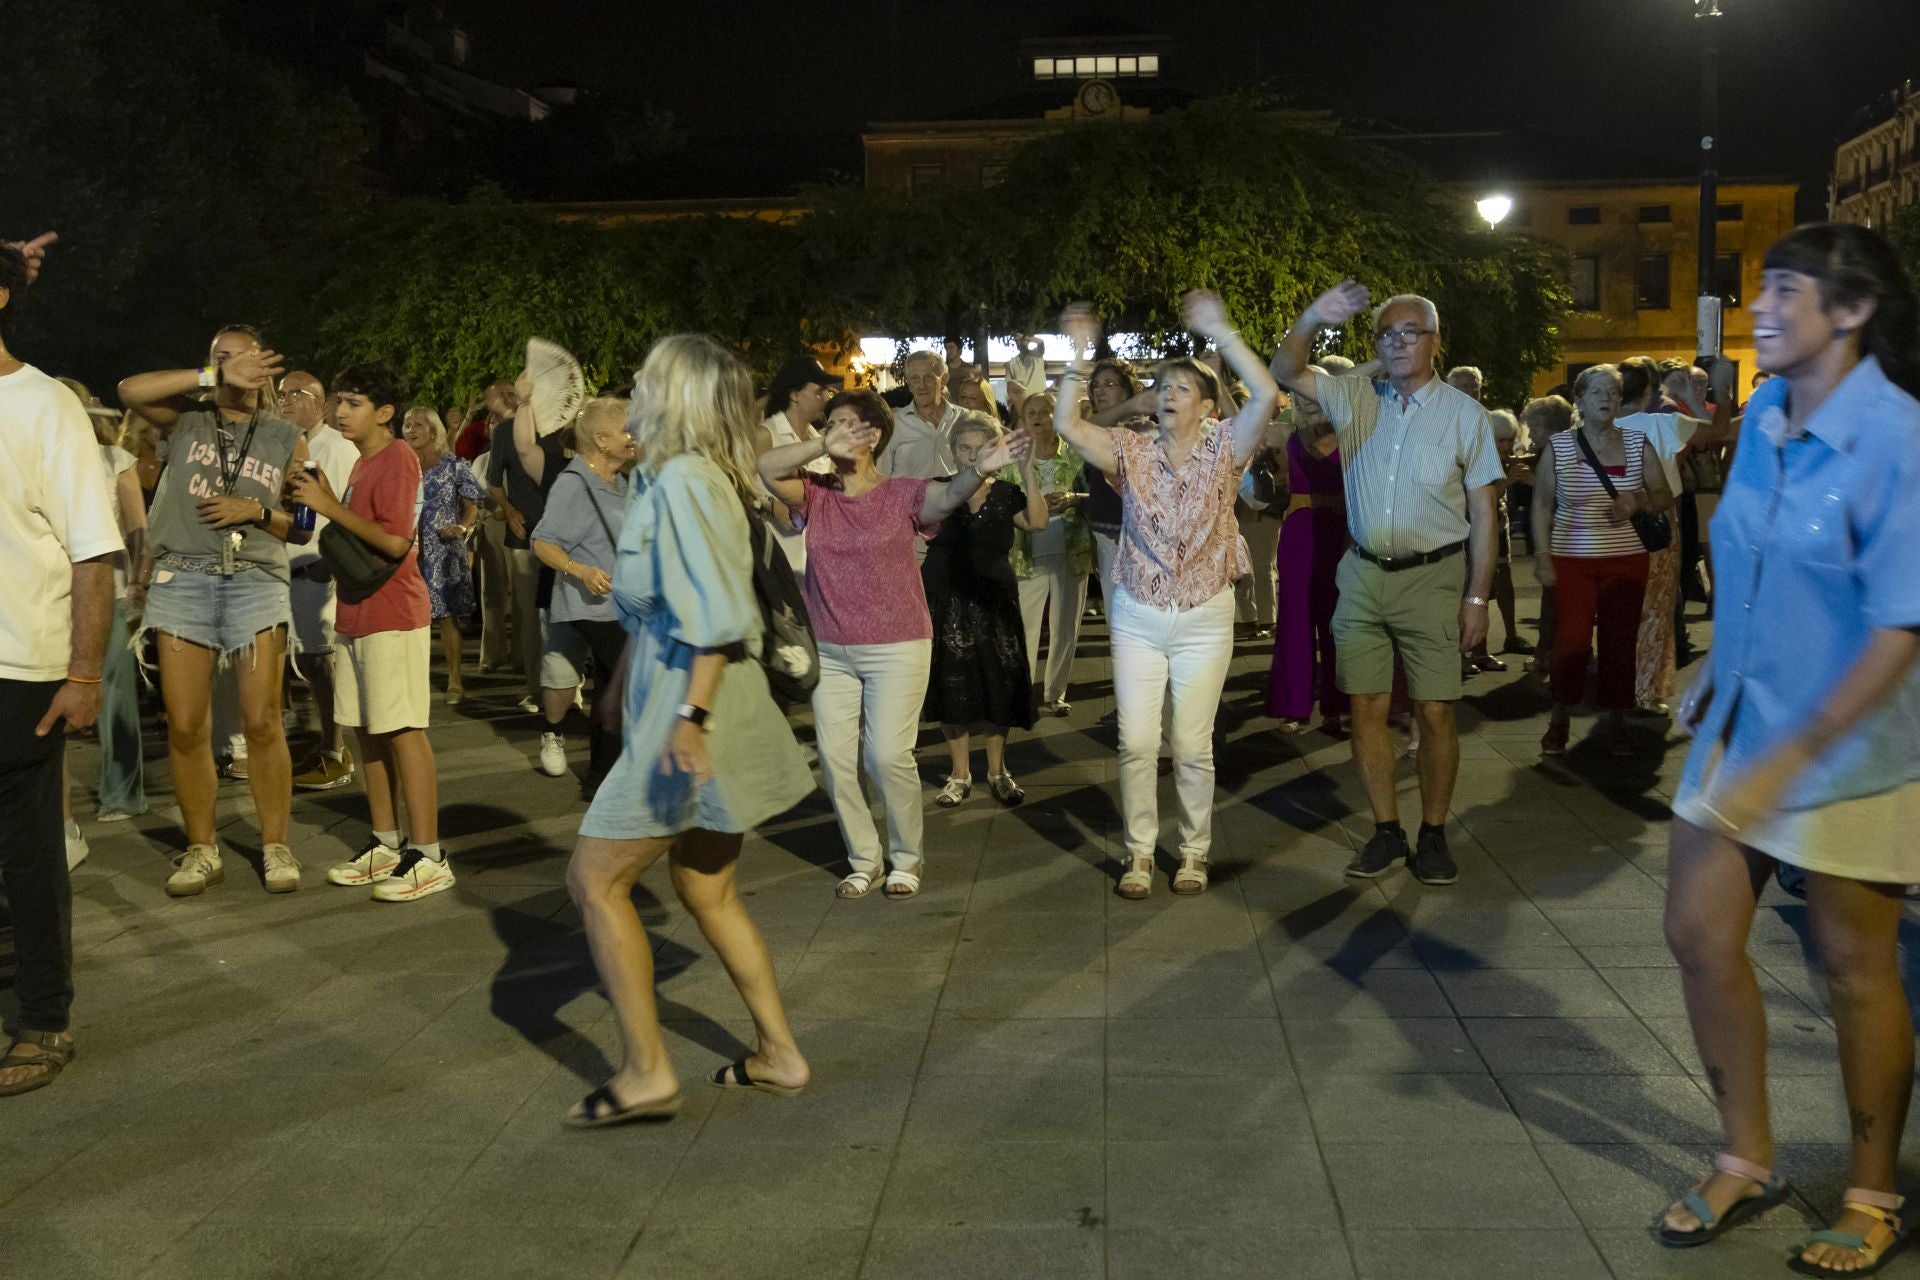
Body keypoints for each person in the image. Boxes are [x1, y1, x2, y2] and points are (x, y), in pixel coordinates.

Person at [1655, 223, 1920, 1279]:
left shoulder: (1898, 437)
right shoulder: (1765, 415)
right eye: (1763, 284)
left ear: (1851, 312)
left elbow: (1903, 625)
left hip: (1852, 740)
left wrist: (1799, 748)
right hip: (1743, 723)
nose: (1760, 304)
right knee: (1695, 931)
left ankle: (1870, 1192)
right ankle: (1745, 1156)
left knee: (1853, 965)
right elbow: (1752, 555)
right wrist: (1721, 654)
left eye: (1786, 290)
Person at [563, 335, 817, 1127]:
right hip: (689, 703)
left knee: (595, 881)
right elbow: (669, 602)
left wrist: (686, 724)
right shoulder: (681, 478)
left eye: (642, 382)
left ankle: (645, 1073)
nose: (630, 393)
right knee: (706, 887)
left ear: (671, 397)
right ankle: (779, 1055)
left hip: (694, 713)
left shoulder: (681, 482)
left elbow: (714, 616)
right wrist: (617, 684)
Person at [1271, 283, 1503, 887]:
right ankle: (1384, 830)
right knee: (1366, 706)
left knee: (1433, 712)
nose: (1398, 343)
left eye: (1411, 333)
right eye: (1387, 334)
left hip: (1434, 576)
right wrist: (1314, 316)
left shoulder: (1465, 416)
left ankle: (1431, 832)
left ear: (1436, 342)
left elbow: (1484, 517)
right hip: (1364, 572)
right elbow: (1285, 368)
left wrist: (1476, 597)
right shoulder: (1355, 399)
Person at [1055, 291, 1281, 898]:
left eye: (1182, 388)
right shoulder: (1130, 449)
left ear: (1207, 405)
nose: (1167, 394)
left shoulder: (1228, 447)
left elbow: (1267, 396)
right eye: (1163, 386)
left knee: (1190, 742)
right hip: (1136, 612)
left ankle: (1193, 852)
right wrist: (1077, 356)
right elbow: (1067, 424)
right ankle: (1137, 853)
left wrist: (1222, 332)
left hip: (1205, 613)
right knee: (1135, 740)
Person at [758, 389, 1019, 900]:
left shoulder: (902, 492)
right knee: (835, 760)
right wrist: (819, 447)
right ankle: (864, 859)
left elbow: (946, 497)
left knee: (884, 756)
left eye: (848, 424)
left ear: (873, 435)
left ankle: (906, 857)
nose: (835, 431)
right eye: (829, 423)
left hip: (898, 644)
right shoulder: (815, 491)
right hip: (831, 647)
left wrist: (981, 470)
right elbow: (766, 466)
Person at [119, 326, 310, 897]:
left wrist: (254, 509)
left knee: (261, 722)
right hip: (184, 581)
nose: (235, 368)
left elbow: (301, 527)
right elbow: (129, 390)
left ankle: (277, 845)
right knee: (185, 726)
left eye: (244, 359)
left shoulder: (285, 436)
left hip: (256, 579)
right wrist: (211, 376)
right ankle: (202, 848)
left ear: (267, 369)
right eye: (221, 360)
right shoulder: (184, 421)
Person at [0, 242, 120, 1095]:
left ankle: (43, 1017)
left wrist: (84, 675)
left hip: (20, 666)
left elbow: (93, 554)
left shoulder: (45, 407)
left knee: (27, 854)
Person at [290, 362, 450, 903]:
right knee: (367, 729)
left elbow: (397, 542)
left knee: (403, 729)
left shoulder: (398, 457)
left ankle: (428, 854)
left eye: (353, 403)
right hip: (357, 610)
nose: (340, 411)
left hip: (393, 614)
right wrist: (332, 498)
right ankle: (385, 841)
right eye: (339, 401)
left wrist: (330, 507)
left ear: (385, 412)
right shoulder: (362, 463)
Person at [1530, 365, 1673, 757]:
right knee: (1571, 641)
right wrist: (1543, 557)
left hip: (1626, 559)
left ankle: (1617, 721)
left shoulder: (1636, 442)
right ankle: (1559, 719)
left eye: (1612, 392)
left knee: (1619, 642)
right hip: (1571, 558)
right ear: (1579, 400)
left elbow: (1663, 494)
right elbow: (1541, 506)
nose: (1606, 399)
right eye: (1596, 392)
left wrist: (1638, 500)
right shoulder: (1559, 447)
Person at [922, 416, 1045, 806]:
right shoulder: (937, 489)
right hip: (946, 594)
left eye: (982, 449)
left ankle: (997, 770)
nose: (972, 456)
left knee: (999, 682)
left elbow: (1037, 522)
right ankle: (959, 773)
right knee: (951, 683)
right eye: (965, 448)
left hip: (993, 597)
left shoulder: (1006, 492)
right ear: (952, 450)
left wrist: (1028, 473)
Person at [1617, 356, 1735, 712]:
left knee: (1620, 604)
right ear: (1650, 389)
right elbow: (1718, 430)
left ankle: (1617, 682)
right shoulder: (1661, 425)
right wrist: (1721, 390)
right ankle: (1644, 689)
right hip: (1656, 516)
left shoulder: (1599, 422)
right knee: (1655, 604)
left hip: (1609, 517)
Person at [530, 397, 636, 797]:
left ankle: (603, 780)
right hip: (590, 607)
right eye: (627, 429)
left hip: (620, 606)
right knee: (630, 683)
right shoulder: (574, 483)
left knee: (613, 689)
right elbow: (542, 542)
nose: (634, 437)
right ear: (601, 439)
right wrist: (581, 571)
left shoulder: (620, 482)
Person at [283, 371, 363, 792]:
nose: (285, 401)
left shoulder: (333, 446)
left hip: (315, 566)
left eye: (295, 394)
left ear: (320, 401)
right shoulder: (296, 445)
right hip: (292, 565)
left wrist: (331, 563)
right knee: (308, 662)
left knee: (320, 661)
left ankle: (335, 750)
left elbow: (340, 509)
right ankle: (327, 744)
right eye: (281, 394)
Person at [1258, 372, 1348, 735]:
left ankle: (1335, 707)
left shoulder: (1353, 435)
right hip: (1298, 535)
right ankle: (1295, 707)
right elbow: (1243, 424)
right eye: (1301, 396)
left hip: (1343, 536)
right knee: (1296, 621)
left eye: (1315, 395)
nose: (1308, 403)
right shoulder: (1284, 435)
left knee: (1337, 623)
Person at [488, 376, 570, 712]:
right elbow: (494, 482)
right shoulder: (505, 433)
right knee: (532, 616)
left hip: (563, 536)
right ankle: (537, 688)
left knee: (563, 611)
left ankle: (568, 686)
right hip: (523, 537)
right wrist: (509, 510)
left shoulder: (563, 430)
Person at [1008, 391, 1092, 715]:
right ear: (1024, 420)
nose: (1039, 417)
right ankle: (1024, 694)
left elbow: (1096, 495)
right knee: (1024, 628)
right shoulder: (1013, 460)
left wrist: (1074, 497)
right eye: (1032, 412)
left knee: (1065, 627)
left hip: (1071, 552)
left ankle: (1055, 693)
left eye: (1046, 411)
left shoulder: (1075, 456)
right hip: (1025, 555)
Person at [86, 387, 148, 822]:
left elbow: (138, 529)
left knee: (115, 693)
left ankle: (122, 793)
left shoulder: (115, 461)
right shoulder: (40, 461)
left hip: (110, 587)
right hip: (51, 592)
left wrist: (139, 582)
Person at [401, 406, 484, 705]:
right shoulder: (401, 465)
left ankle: (455, 680)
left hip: (443, 550)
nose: (412, 430)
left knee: (447, 617)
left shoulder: (454, 465)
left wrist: (461, 527)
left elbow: (472, 506)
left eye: (419, 424)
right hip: (406, 550)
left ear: (434, 431)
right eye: (408, 424)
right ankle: (412, 679)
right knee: (410, 619)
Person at [754, 355, 840, 574]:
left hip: (814, 565)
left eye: (826, 392)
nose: (825, 398)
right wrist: (770, 504)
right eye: (819, 392)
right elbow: (738, 485)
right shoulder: (766, 434)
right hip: (773, 560)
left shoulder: (819, 441)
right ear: (794, 395)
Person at [1078, 358, 1154, 593]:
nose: (1100, 390)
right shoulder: (1095, 428)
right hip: (1105, 535)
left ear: (1127, 391)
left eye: (1109, 384)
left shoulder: (1143, 428)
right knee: (1116, 615)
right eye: (1096, 385)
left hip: (1141, 538)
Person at [1464, 408, 1526, 673]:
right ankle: (1468, 653)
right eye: (1500, 440)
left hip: (1495, 533)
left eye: (1509, 440)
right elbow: (1472, 502)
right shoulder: (1475, 461)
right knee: (1473, 592)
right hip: (1470, 536)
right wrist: (1506, 484)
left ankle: (1482, 651)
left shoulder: (1504, 462)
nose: (1505, 446)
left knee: (1493, 588)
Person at [875, 349, 995, 484]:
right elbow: (881, 479)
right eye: (914, 379)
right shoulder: (894, 425)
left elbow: (983, 467)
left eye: (929, 378)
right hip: (909, 504)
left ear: (943, 380)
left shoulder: (966, 420)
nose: (921, 386)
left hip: (959, 502)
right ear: (909, 384)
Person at [1518, 394, 1574, 666]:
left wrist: (1532, 482)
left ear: (1552, 428)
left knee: (1555, 600)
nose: (1531, 436)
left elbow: (1565, 498)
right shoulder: (1564, 448)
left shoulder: (1560, 451)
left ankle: (1549, 655)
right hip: (1564, 539)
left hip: (1563, 539)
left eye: (1535, 429)